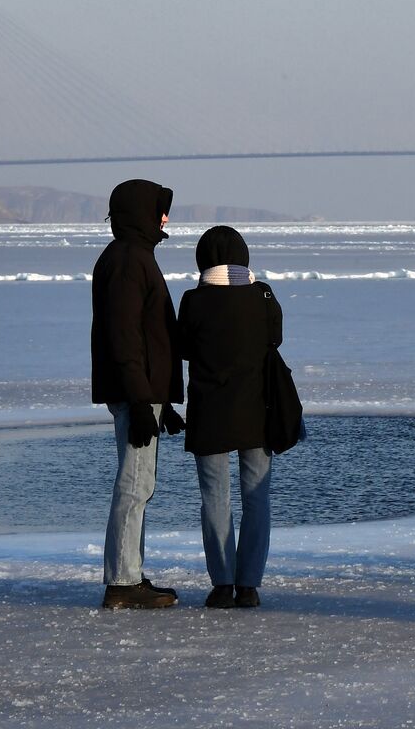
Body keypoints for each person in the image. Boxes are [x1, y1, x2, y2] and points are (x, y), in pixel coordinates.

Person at [177, 226, 283, 609]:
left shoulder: (193, 300)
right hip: (257, 411)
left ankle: (222, 584)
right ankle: (249, 586)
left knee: (215, 499)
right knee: (257, 499)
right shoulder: (262, 296)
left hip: (209, 414)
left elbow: (184, 349)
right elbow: (276, 338)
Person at [91, 179, 185, 610]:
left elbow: (150, 337)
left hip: (143, 392)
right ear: (139, 212)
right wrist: (141, 399)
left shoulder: (136, 256)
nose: (165, 218)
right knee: (134, 484)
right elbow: (125, 336)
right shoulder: (129, 260)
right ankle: (123, 582)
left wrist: (160, 402)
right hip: (135, 392)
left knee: (140, 483)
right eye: (159, 210)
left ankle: (129, 573)